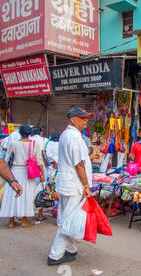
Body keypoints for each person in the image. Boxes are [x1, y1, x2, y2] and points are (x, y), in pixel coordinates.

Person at [47, 107, 94, 266]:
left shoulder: (69, 135)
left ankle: (71, 249)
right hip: (73, 184)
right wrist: (86, 185)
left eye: (86, 118)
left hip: (68, 183)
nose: (86, 121)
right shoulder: (72, 136)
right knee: (68, 221)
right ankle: (55, 255)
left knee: (68, 218)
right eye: (83, 118)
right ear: (73, 120)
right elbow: (78, 164)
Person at [0, 125, 44, 228]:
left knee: (12, 195)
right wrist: (42, 174)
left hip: (14, 171)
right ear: (30, 133)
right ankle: (24, 220)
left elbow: (7, 159)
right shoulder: (34, 144)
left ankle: (11, 221)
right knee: (26, 195)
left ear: (20, 132)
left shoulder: (13, 143)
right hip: (28, 172)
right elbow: (39, 161)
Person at [31, 126, 48, 221]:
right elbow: (43, 154)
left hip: (29, 169)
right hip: (41, 168)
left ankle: (25, 214)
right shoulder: (43, 140)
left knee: (29, 190)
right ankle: (40, 215)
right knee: (40, 191)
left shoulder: (28, 140)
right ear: (40, 133)